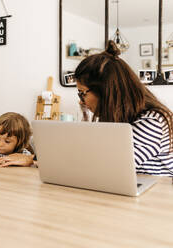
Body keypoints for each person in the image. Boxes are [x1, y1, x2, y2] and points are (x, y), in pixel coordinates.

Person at [74, 40, 173, 176]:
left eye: (82, 93)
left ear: (105, 92)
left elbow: (111, 166)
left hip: (156, 194)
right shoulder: (119, 118)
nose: (81, 101)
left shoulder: (152, 122)